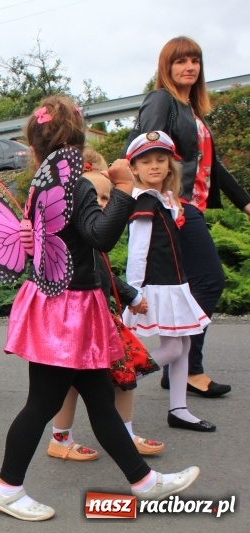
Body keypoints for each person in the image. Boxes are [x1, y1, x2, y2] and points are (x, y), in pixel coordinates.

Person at [0, 97, 199, 522]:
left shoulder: (43, 182)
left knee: (100, 399)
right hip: (67, 312)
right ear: (78, 140)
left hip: (59, 307)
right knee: (42, 403)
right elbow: (100, 236)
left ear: (36, 148)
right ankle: (7, 488)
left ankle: (144, 482)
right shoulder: (75, 184)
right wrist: (122, 189)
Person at [131, 36, 250, 397]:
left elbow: (215, 167)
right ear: (166, 67)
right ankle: (185, 366)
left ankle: (181, 367)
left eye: (195, 61)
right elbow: (144, 145)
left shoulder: (191, 111)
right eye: (180, 61)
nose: (189, 67)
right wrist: (155, 195)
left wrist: (244, 201)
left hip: (188, 205)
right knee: (210, 280)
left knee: (196, 284)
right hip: (173, 206)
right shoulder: (162, 100)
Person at [48, 147, 163, 462]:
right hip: (87, 319)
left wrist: (131, 296)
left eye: (105, 198)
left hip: (99, 317)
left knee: (113, 382)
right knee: (114, 380)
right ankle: (69, 438)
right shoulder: (77, 241)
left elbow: (106, 274)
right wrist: (133, 296)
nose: (100, 205)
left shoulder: (90, 242)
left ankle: (103, 436)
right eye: (93, 198)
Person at [122, 131, 215, 432]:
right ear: (133, 168)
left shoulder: (166, 199)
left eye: (161, 160)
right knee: (173, 349)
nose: (154, 166)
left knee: (184, 345)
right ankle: (123, 375)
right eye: (145, 161)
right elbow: (137, 251)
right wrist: (133, 293)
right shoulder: (144, 202)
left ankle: (178, 409)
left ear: (170, 165)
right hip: (156, 286)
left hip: (175, 285)